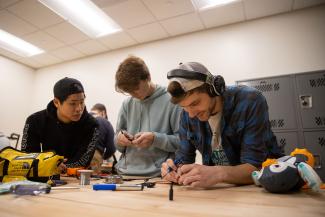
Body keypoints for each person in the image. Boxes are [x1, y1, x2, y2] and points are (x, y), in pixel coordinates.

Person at [161, 62, 284, 187]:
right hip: (222, 191)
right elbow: (184, 160)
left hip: (268, 185)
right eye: (184, 107)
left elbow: (256, 167)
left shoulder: (250, 100)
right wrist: (173, 170)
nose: (191, 114)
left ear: (213, 89)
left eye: (194, 103)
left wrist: (218, 173)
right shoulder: (186, 115)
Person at [114, 55, 182, 177]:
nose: (133, 95)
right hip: (124, 174)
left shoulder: (171, 100)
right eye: (128, 92)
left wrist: (155, 139)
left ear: (148, 77)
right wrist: (120, 140)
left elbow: (183, 142)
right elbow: (118, 146)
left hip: (157, 176)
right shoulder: (127, 104)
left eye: (135, 89)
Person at [21, 77, 99, 173]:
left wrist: (59, 167)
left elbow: (83, 160)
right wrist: (48, 165)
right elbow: (27, 156)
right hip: (44, 174)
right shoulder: (35, 120)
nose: (79, 108)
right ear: (56, 102)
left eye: (82, 102)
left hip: (75, 178)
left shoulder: (92, 124)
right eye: (72, 103)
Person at [89, 103, 116, 172]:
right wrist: (103, 157)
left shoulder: (81, 118)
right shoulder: (105, 122)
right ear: (103, 113)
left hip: (75, 155)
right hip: (94, 155)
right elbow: (112, 148)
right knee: (92, 180)